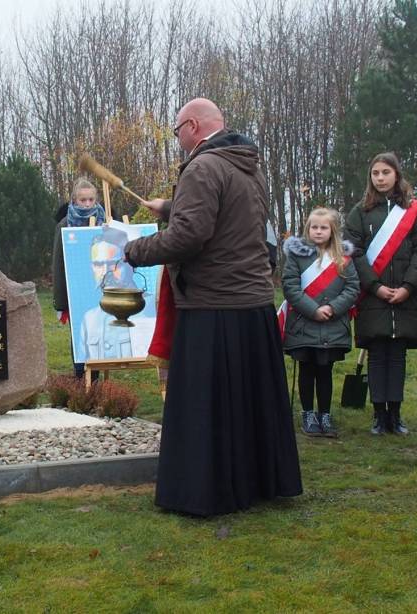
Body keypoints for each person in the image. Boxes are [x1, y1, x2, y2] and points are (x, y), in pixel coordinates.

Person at [122, 97, 302, 516]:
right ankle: (257, 483)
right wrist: (171, 207)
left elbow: (189, 238)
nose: (177, 138)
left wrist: (134, 250)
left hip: (214, 305)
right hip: (252, 301)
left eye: (176, 130)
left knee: (209, 408)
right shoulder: (247, 164)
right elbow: (232, 218)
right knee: (248, 406)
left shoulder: (202, 167)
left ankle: (206, 491)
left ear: (192, 126)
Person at [344, 152, 417, 436]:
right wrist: (375, 286)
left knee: (397, 357)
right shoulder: (360, 211)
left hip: (405, 295)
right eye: (375, 173)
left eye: (385, 172)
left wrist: (408, 287)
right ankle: (379, 415)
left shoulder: (413, 211)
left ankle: (396, 413)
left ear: (397, 174)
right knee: (377, 354)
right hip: (373, 296)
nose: (380, 178)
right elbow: (353, 253)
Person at [282, 207, 359, 438]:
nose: (318, 231)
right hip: (304, 325)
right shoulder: (297, 256)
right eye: (314, 227)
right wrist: (313, 310)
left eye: (323, 227)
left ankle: (324, 414)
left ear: (333, 230)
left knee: (325, 372)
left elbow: (353, 287)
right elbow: (290, 287)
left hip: (332, 326)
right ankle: (307, 413)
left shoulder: (343, 258)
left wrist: (332, 308)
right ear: (308, 228)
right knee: (307, 371)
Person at [53, 178, 107, 377]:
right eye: (83, 200)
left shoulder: (106, 221)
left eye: (90, 199)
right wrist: (60, 303)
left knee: (101, 331)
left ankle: (96, 377)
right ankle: (80, 378)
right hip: (76, 290)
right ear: (75, 201)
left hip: (101, 287)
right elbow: (58, 265)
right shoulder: (65, 225)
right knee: (80, 333)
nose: (87, 204)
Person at [78, 226, 156, 361]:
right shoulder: (89, 319)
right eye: (98, 264)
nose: (106, 272)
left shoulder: (150, 307)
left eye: (114, 264)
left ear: (130, 264)